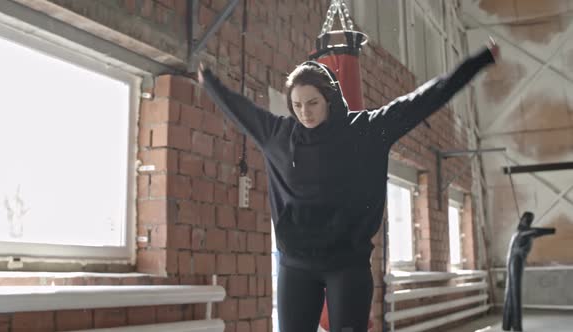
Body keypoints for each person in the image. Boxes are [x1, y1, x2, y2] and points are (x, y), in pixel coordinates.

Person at [198, 37, 500, 332]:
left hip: (347, 265)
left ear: (329, 99)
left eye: (313, 103)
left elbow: (423, 100)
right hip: (295, 266)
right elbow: (239, 109)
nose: (305, 113)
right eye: (297, 105)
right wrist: (209, 81)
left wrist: (480, 60)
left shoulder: (366, 130)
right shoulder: (278, 135)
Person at [503, 211, 555, 332]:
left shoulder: (520, 232)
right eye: (528, 219)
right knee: (515, 292)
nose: (529, 221)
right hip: (516, 261)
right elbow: (536, 232)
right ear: (522, 219)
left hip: (513, 260)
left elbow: (535, 233)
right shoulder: (523, 232)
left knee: (510, 292)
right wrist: (552, 230)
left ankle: (507, 324)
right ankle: (517, 326)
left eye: (530, 219)